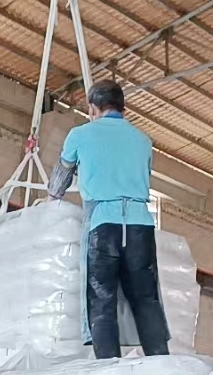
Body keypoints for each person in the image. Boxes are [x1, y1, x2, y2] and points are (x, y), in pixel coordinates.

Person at [47, 80, 171, 359]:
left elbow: (60, 179)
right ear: (123, 108)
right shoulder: (143, 140)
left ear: (93, 108)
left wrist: (52, 197)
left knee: (102, 299)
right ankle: (160, 361)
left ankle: (108, 366)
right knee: (146, 299)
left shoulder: (80, 134)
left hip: (102, 224)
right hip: (140, 224)